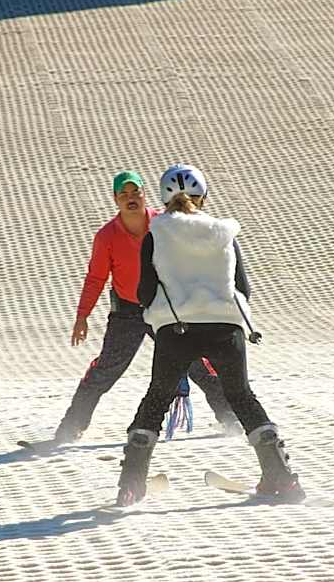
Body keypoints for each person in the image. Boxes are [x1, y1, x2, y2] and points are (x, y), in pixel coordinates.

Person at [115, 163, 305, 506]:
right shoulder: (223, 233)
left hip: (177, 330)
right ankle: (282, 478)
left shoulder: (155, 235)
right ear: (203, 197)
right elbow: (242, 289)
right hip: (225, 328)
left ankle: (131, 485)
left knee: (156, 400)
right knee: (242, 397)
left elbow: (143, 291)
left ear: (163, 197)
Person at [52, 170, 240, 445]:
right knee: (107, 367)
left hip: (164, 307)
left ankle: (230, 417)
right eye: (123, 194)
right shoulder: (107, 236)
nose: (130, 199)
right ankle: (71, 427)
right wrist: (82, 316)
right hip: (127, 311)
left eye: (135, 193)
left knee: (196, 362)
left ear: (144, 195)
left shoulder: (162, 225)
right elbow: (95, 278)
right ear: (115, 199)